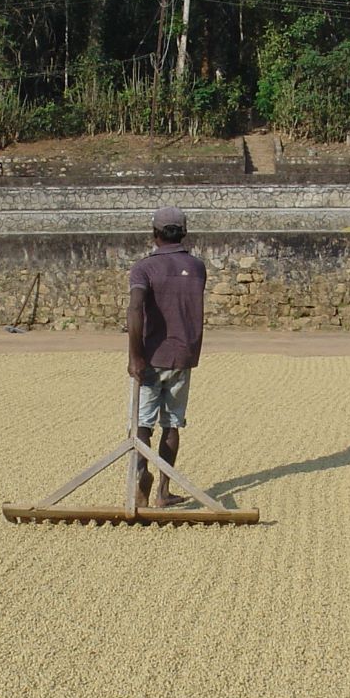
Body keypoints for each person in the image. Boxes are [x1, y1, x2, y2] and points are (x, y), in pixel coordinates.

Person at [127, 206, 206, 508]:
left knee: (142, 425)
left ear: (154, 234)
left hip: (150, 356)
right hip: (184, 355)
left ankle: (141, 476)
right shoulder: (197, 267)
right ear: (184, 232)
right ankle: (163, 491)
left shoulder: (144, 268)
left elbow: (135, 309)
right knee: (172, 424)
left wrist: (135, 356)